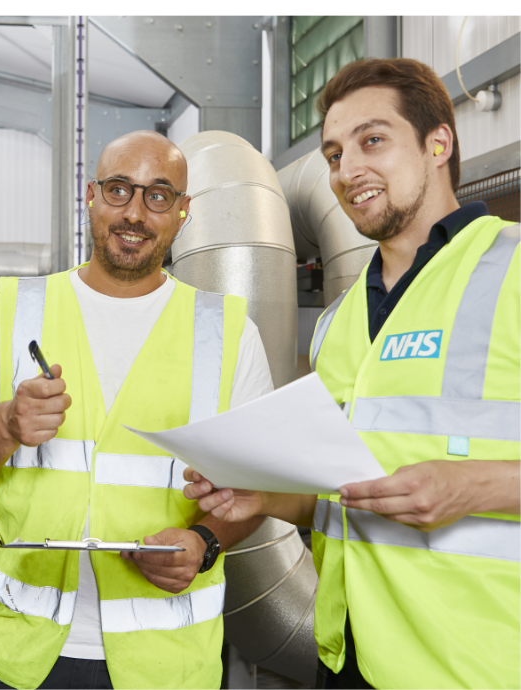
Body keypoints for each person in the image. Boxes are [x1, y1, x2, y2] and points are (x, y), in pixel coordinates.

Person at [184, 58, 521, 690]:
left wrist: (475, 487)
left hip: (484, 666)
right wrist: (265, 499)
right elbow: (342, 498)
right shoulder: (338, 321)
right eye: (334, 153)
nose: (347, 171)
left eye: (373, 141)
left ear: (437, 143)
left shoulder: (514, 269)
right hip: (348, 660)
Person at [0, 130, 275, 690]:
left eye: (158, 196)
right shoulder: (12, 309)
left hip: (165, 667)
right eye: (119, 190)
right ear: (91, 196)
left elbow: (262, 486)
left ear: (184, 212)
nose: (135, 212)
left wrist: (205, 542)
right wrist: (6, 423)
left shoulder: (228, 332)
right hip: (11, 652)